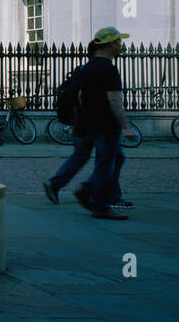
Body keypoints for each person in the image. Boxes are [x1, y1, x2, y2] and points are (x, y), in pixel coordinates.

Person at [43, 28, 130, 220]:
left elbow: (80, 97)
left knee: (83, 157)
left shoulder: (84, 68)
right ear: (111, 44)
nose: (120, 46)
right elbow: (114, 100)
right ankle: (99, 204)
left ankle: (57, 184)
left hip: (83, 123)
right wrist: (125, 126)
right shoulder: (108, 69)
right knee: (105, 164)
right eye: (118, 42)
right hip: (105, 125)